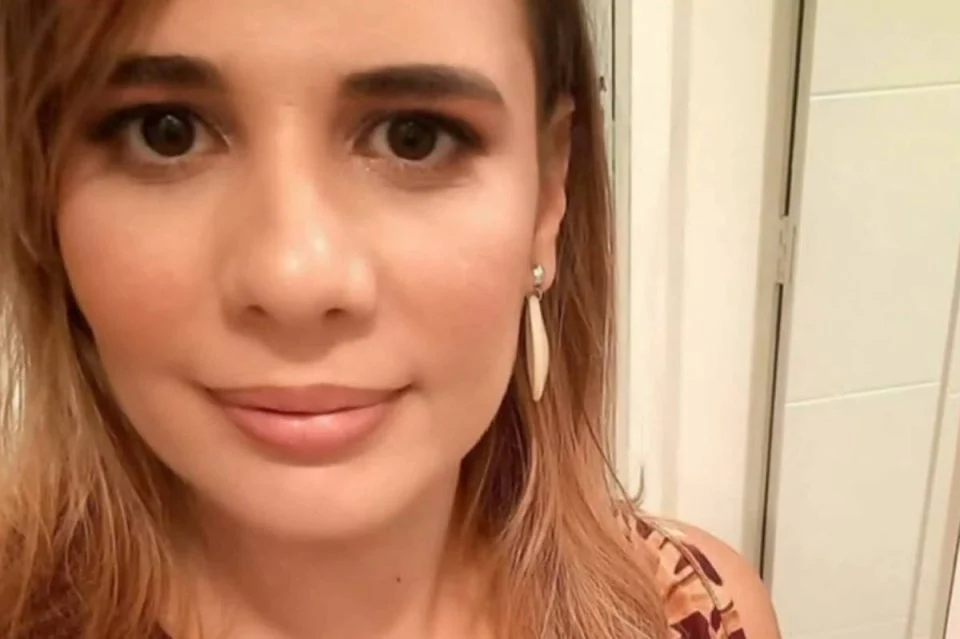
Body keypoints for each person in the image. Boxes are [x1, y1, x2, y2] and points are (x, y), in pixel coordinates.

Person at [0, 1, 780, 637]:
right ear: (43, 189)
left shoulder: (698, 613)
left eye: (415, 136)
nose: (295, 276)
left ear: (548, 195)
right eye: (165, 131)